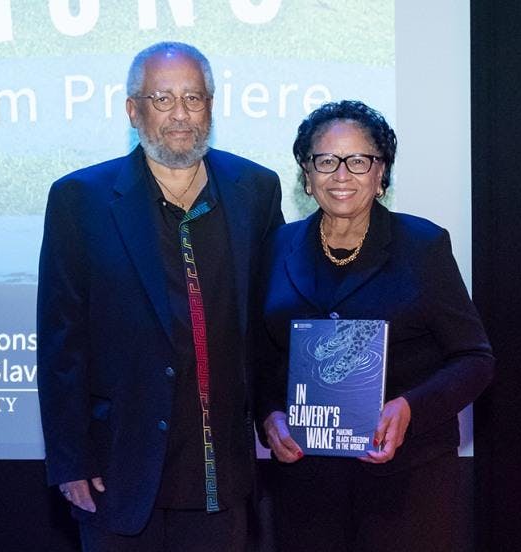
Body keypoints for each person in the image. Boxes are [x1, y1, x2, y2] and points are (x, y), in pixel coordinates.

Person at [37, 41, 284, 551]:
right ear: (133, 109)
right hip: (118, 467)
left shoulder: (255, 189)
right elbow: (62, 340)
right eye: (162, 99)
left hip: (221, 470)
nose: (180, 114)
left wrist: (273, 410)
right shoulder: (79, 199)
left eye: (194, 99)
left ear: (211, 108)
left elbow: (268, 321)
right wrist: (71, 458)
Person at [253, 100, 495, 551]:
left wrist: (409, 408)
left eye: (359, 160)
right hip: (306, 482)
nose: (341, 174)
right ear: (306, 174)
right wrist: (268, 416)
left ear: (381, 174)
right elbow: (261, 357)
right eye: (325, 160)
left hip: (407, 478)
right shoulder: (276, 247)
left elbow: (475, 359)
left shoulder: (422, 246)